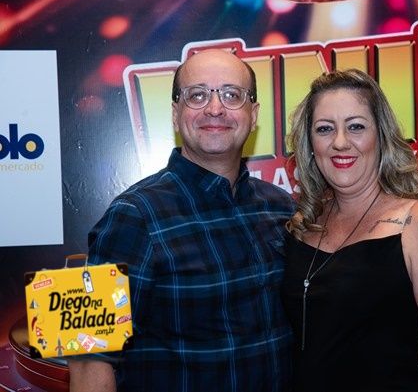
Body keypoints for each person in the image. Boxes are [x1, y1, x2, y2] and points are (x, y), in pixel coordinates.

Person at [68, 49, 295, 392]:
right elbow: (86, 357)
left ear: (253, 114)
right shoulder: (131, 214)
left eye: (232, 95)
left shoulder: (282, 207)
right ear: (176, 115)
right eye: (197, 95)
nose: (215, 108)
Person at [281, 69, 418, 392]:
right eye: (325, 129)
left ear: (381, 136)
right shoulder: (303, 225)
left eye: (356, 126)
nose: (340, 142)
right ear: (310, 144)